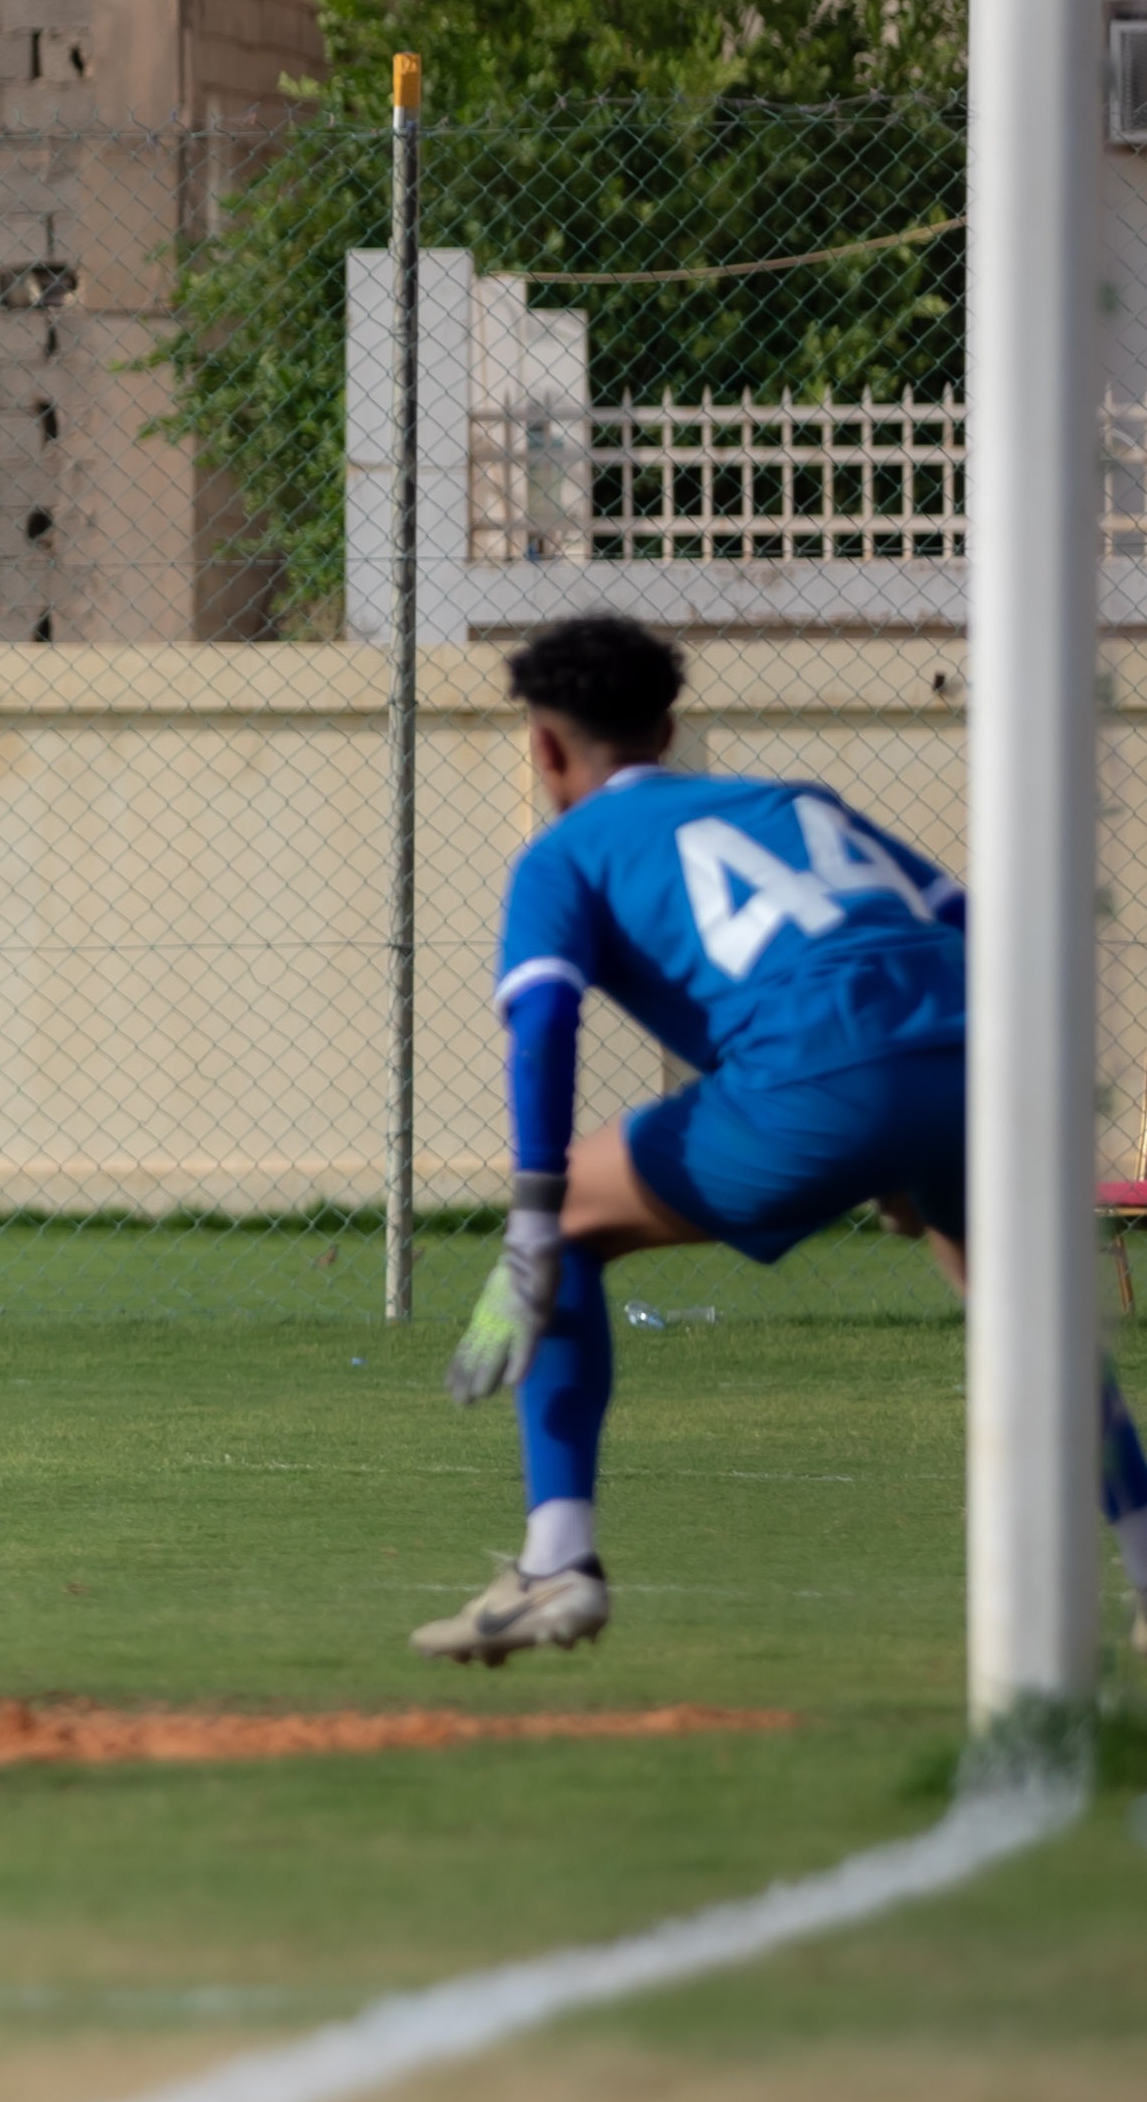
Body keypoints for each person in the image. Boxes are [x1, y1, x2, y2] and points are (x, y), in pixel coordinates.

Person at [431, 611, 1147, 1663]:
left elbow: (540, 1020)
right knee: (1021, 1312)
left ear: (541, 745)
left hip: (811, 1080)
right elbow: (971, 922)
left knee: (576, 1222)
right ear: (667, 728)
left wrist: (534, 1217)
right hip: (979, 1051)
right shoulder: (793, 802)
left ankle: (555, 1561)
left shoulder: (559, 856)